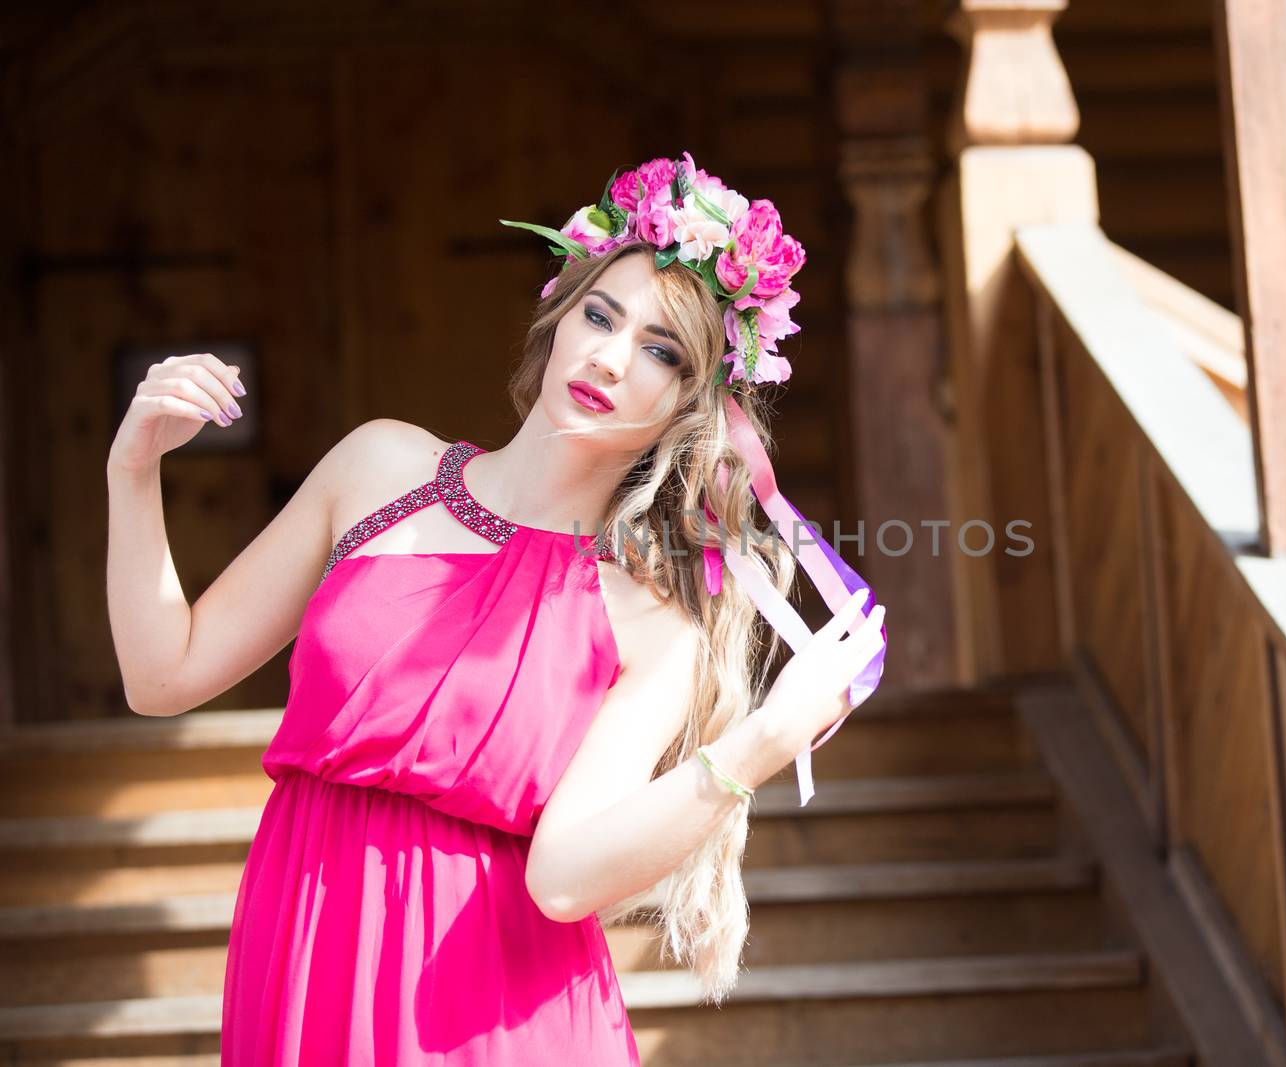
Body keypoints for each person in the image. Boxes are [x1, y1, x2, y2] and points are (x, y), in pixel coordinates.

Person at [104, 152, 887, 1064]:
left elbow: (562, 883)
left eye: (660, 349)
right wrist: (134, 468)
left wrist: (761, 744)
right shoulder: (378, 467)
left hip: (492, 1009)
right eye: (600, 315)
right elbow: (162, 675)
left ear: (691, 401)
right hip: (306, 946)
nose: (609, 354)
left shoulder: (648, 612)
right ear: (557, 320)